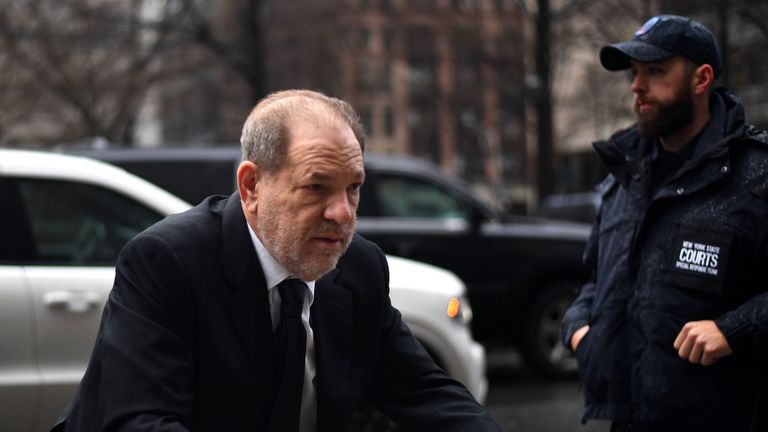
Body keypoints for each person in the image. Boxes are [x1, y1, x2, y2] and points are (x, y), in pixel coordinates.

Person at [52, 90, 501, 432]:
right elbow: (141, 421)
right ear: (251, 187)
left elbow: (426, 392)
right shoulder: (167, 261)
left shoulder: (359, 267)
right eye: (316, 187)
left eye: (353, 188)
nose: (343, 213)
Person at [561, 14, 768, 432]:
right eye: (635, 73)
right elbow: (595, 277)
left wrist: (735, 329)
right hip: (629, 418)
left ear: (701, 78)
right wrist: (578, 330)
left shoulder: (755, 175)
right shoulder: (623, 179)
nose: (638, 86)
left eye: (655, 71)